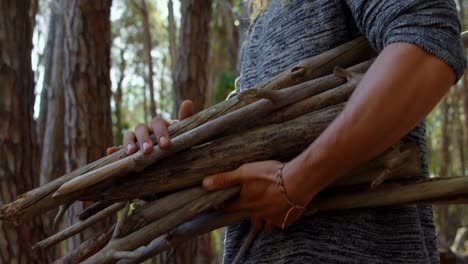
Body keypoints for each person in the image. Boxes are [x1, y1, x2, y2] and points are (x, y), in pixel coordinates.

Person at [110, 0, 466, 262]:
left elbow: (427, 45)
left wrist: (299, 180)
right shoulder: (263, 19)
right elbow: (254, 169)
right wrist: (176, 158)